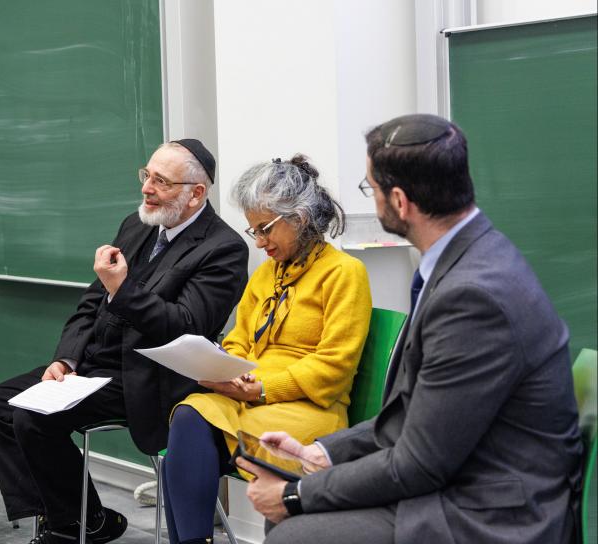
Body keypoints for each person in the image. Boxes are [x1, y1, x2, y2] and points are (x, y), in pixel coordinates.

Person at [237, 114, 582, 544]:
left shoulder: (473, 297)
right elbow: (414, 413)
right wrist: (322, 452)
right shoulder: (467, 258)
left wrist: (296, 494)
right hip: (461, 473)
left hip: (489, 510)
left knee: (294, 532)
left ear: (399, 201)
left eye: (372, 189)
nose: (373, 199)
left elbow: (421, 463)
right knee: (292, 518)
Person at [0, 139, 249, 544]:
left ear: (196, 194)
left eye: (161, 181)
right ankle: (79, 522)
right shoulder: (138, 224)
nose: (147, 188)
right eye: (147, 175)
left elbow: (186, 325)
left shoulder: (223, 248)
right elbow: (90, 303)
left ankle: (67, 527)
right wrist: (66, 360)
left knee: (33, 417)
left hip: (146, 378)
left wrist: (122, 289)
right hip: (90, 366)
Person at [161, 155, 372, 544]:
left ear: (300, 217)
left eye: (265, 229)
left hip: (308, 407)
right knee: (189, 413)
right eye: (253, 230)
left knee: (186, 449)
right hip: (250, 395)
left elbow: (334, 367)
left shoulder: (344, 273)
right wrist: (228, 367)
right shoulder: (265, 274)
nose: (259, 242)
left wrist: (259, 388)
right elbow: (240, 337)